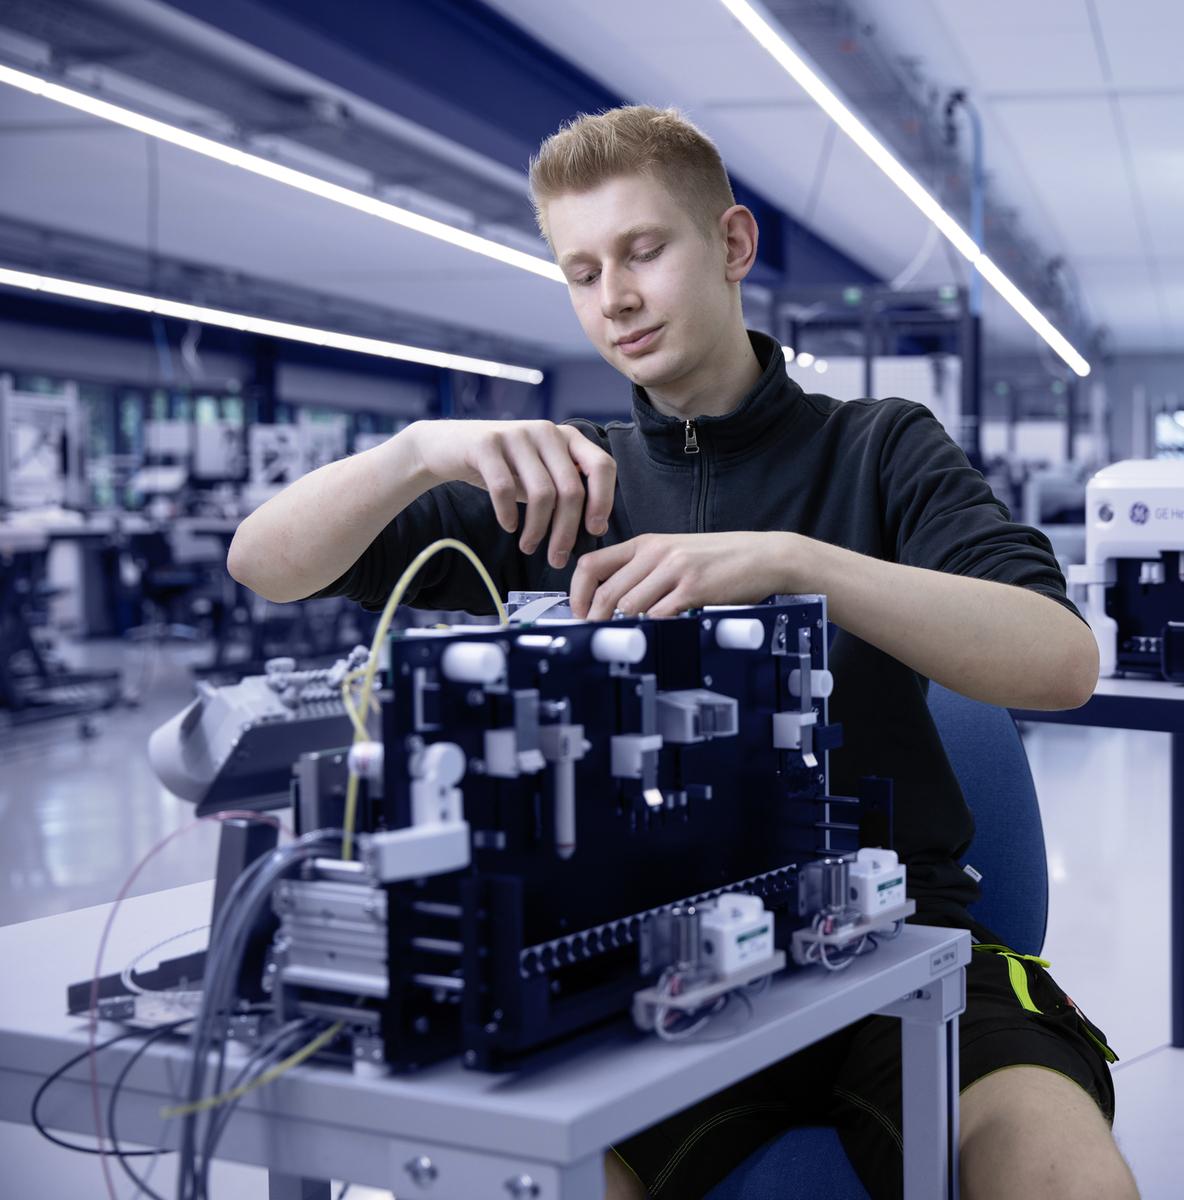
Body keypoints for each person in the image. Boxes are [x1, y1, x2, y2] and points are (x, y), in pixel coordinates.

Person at [228, 105, 1137, 1200]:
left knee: (1063, 1177)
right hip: (634, 982)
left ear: (732, 246)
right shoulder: (558, 489)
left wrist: (799, 563)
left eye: (643, 250)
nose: (613, 296)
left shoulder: (879, 447)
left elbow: (1060, 663)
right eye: (579, 271)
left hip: (899, 950)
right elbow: (264, 562)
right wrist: (422, 451)